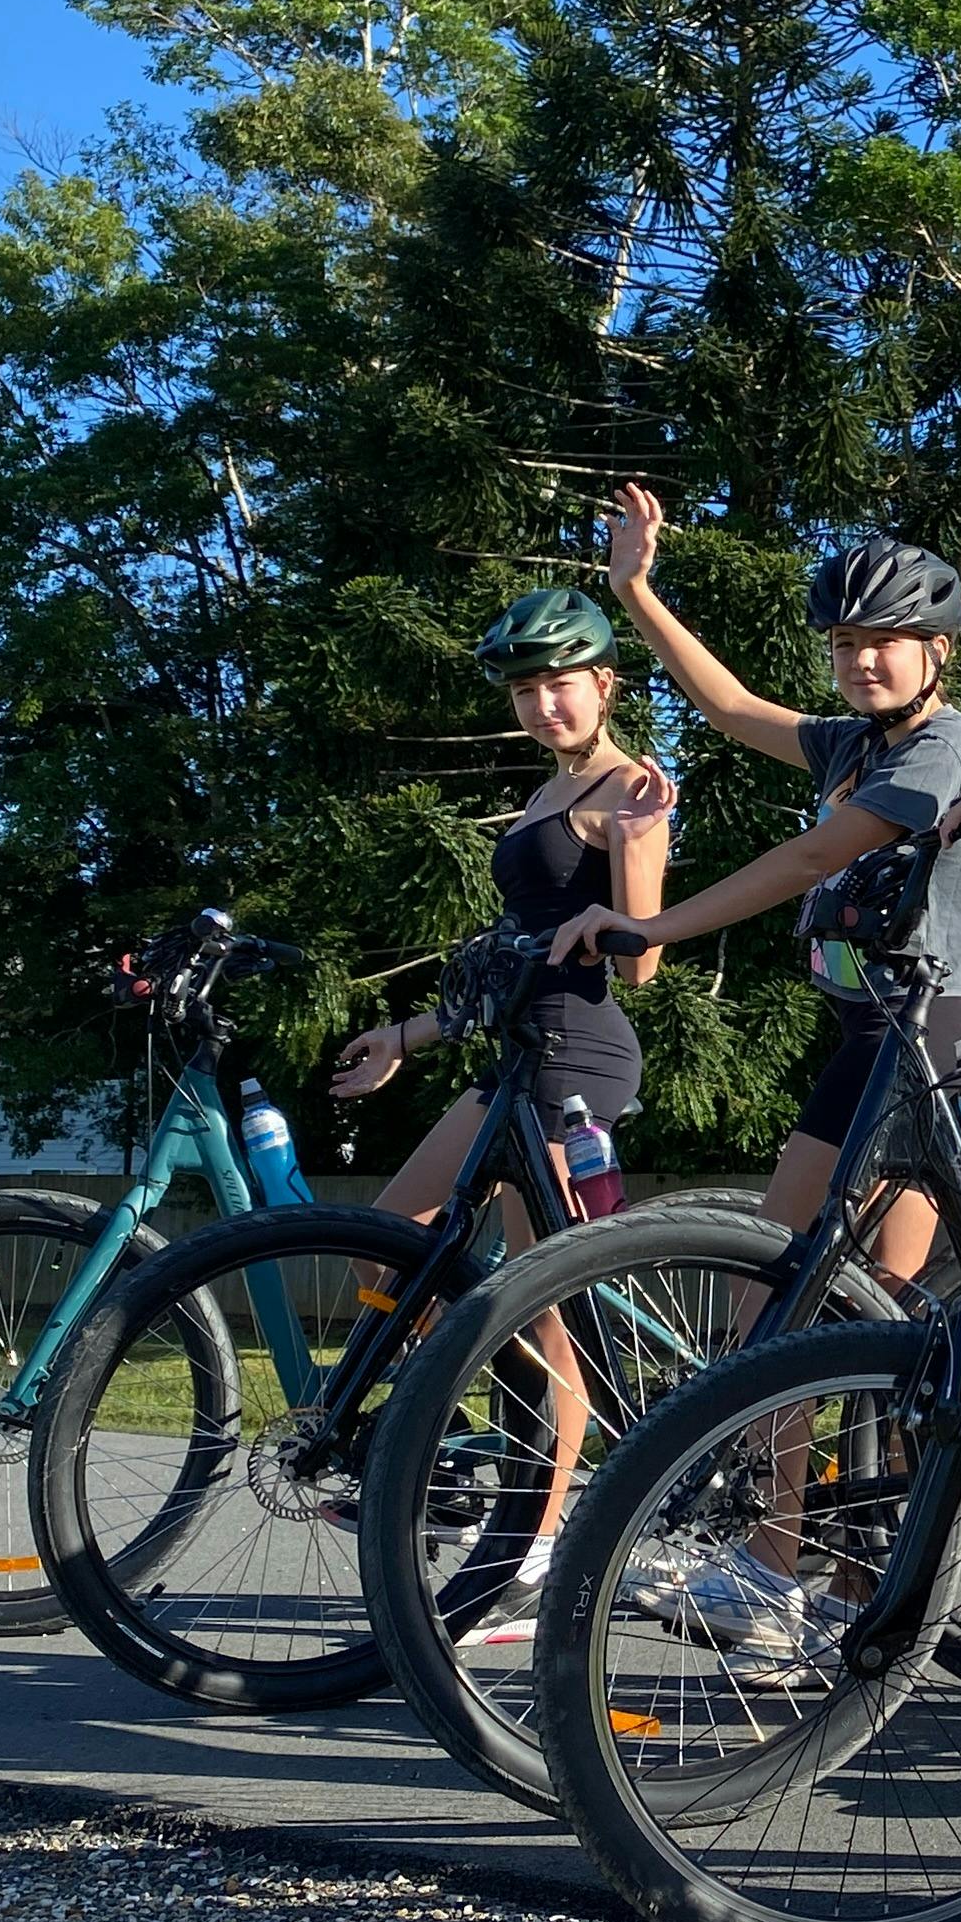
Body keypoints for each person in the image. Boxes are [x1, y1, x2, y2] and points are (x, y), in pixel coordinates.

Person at [539, 485, 961, 1663]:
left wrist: (659, 926)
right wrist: (636, 588)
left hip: (929, 1045)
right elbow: (732, 703)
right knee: (774, 1296)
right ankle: (787, 1560)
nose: (862, 662)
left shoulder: (945, 746)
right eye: (845, 644)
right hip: (862, 1044)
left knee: (860, 1327)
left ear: (937, 652)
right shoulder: (849, 743)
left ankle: (827, 1572)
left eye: (885, 642)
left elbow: (814, 855)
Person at [327, 588, 669, 1515]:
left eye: (561, 684)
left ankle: (544, 1539)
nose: (545, 705)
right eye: (526, 691)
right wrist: (405, 1034)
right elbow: (517, 956)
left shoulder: (629, 790)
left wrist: (640, 844)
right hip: (515, 1050)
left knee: (546, 1305)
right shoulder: (544, 792)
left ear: (604, 683)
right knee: (387, 1246)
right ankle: (455, 1421)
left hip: (579, 1060)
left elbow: (643, 956)